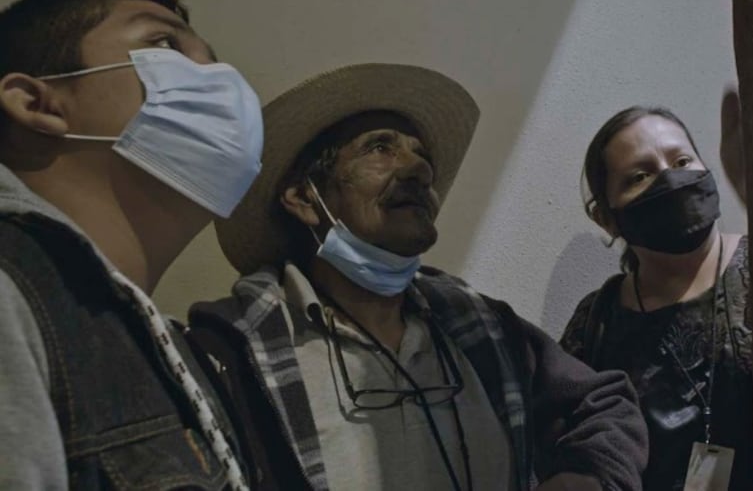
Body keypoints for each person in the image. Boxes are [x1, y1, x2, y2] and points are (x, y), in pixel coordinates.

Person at [187, 64, 648, 491]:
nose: (420, 170)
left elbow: (605, 403)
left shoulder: (479, 325)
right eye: (380, 148)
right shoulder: (234, 353)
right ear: (305, 198)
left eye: (421, 155)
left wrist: (586, 477)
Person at [0, 0, 262, 489]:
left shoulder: (163, 345)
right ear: (37, 104)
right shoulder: (10, 290)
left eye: (214, 60)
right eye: (166, 44)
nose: (222, 80)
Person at [560, 105, 753, 490]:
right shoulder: (595, 323)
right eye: (640, 176)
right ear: (607, 218)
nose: (671, 178)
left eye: (682, 159)